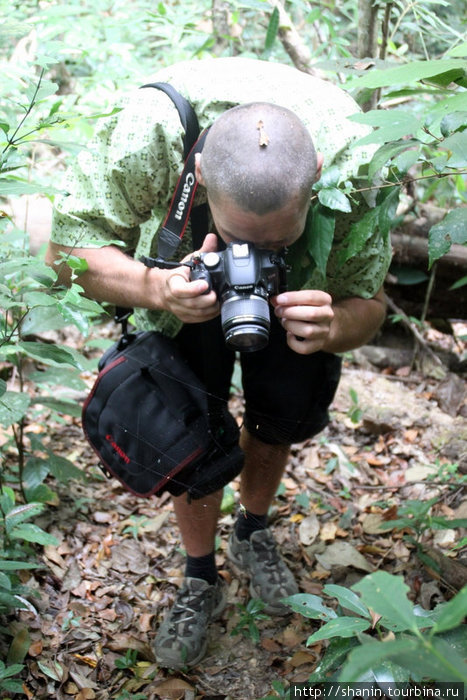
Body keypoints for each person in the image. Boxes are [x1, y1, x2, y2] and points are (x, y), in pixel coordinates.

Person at [46, 57, 392, 669]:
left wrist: (334, 323)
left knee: (283, 408)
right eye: (241, 240)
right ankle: (199, 572)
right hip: (182, 278)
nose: (253, 258)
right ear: (199, 175)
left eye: (275, 243)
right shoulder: (149, 132)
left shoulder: (358, 161)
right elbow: (64, 252)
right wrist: (156, 289)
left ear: (317, 175)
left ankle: (252, 529)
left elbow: (370, 300)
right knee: (188, 419)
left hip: (301, 297)